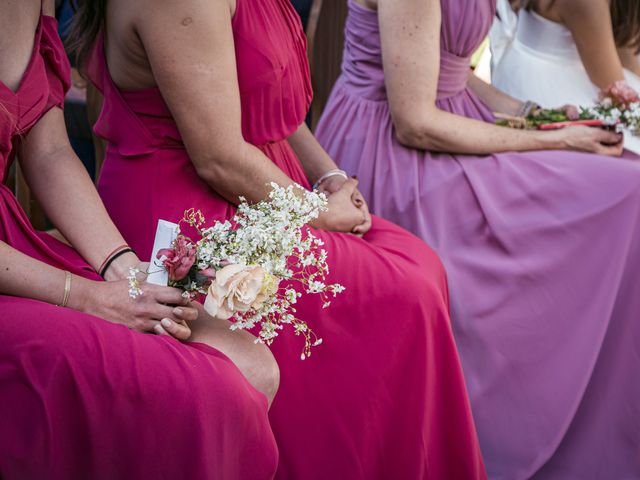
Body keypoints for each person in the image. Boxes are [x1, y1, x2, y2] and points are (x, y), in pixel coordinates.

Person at [68, 0, 488, 478]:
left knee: (417, 263)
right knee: (404, 290)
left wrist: (328, 176)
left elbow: (275, 110)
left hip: (260, 189)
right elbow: (218, 158)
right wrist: (313, 212)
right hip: (192, 219)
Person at [315, 0, 640, 478]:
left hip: (455, 123)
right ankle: (504, 427)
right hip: (397, 154)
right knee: (619, 195)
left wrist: (534, 115)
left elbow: (453, 71)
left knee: (624, 181)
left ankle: (599, 421)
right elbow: (415, 123)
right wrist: (554, 140)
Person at [0, 1, 279, 478]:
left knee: (252, 363)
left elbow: (47, 152)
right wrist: (87, 296)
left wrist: (123, 269)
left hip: (15, 247)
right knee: (194, 389)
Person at [491, 0, 640, 107]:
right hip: (544, 88)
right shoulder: (587, 3)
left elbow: (625, 49)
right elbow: (613, 87)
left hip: (519, 68)